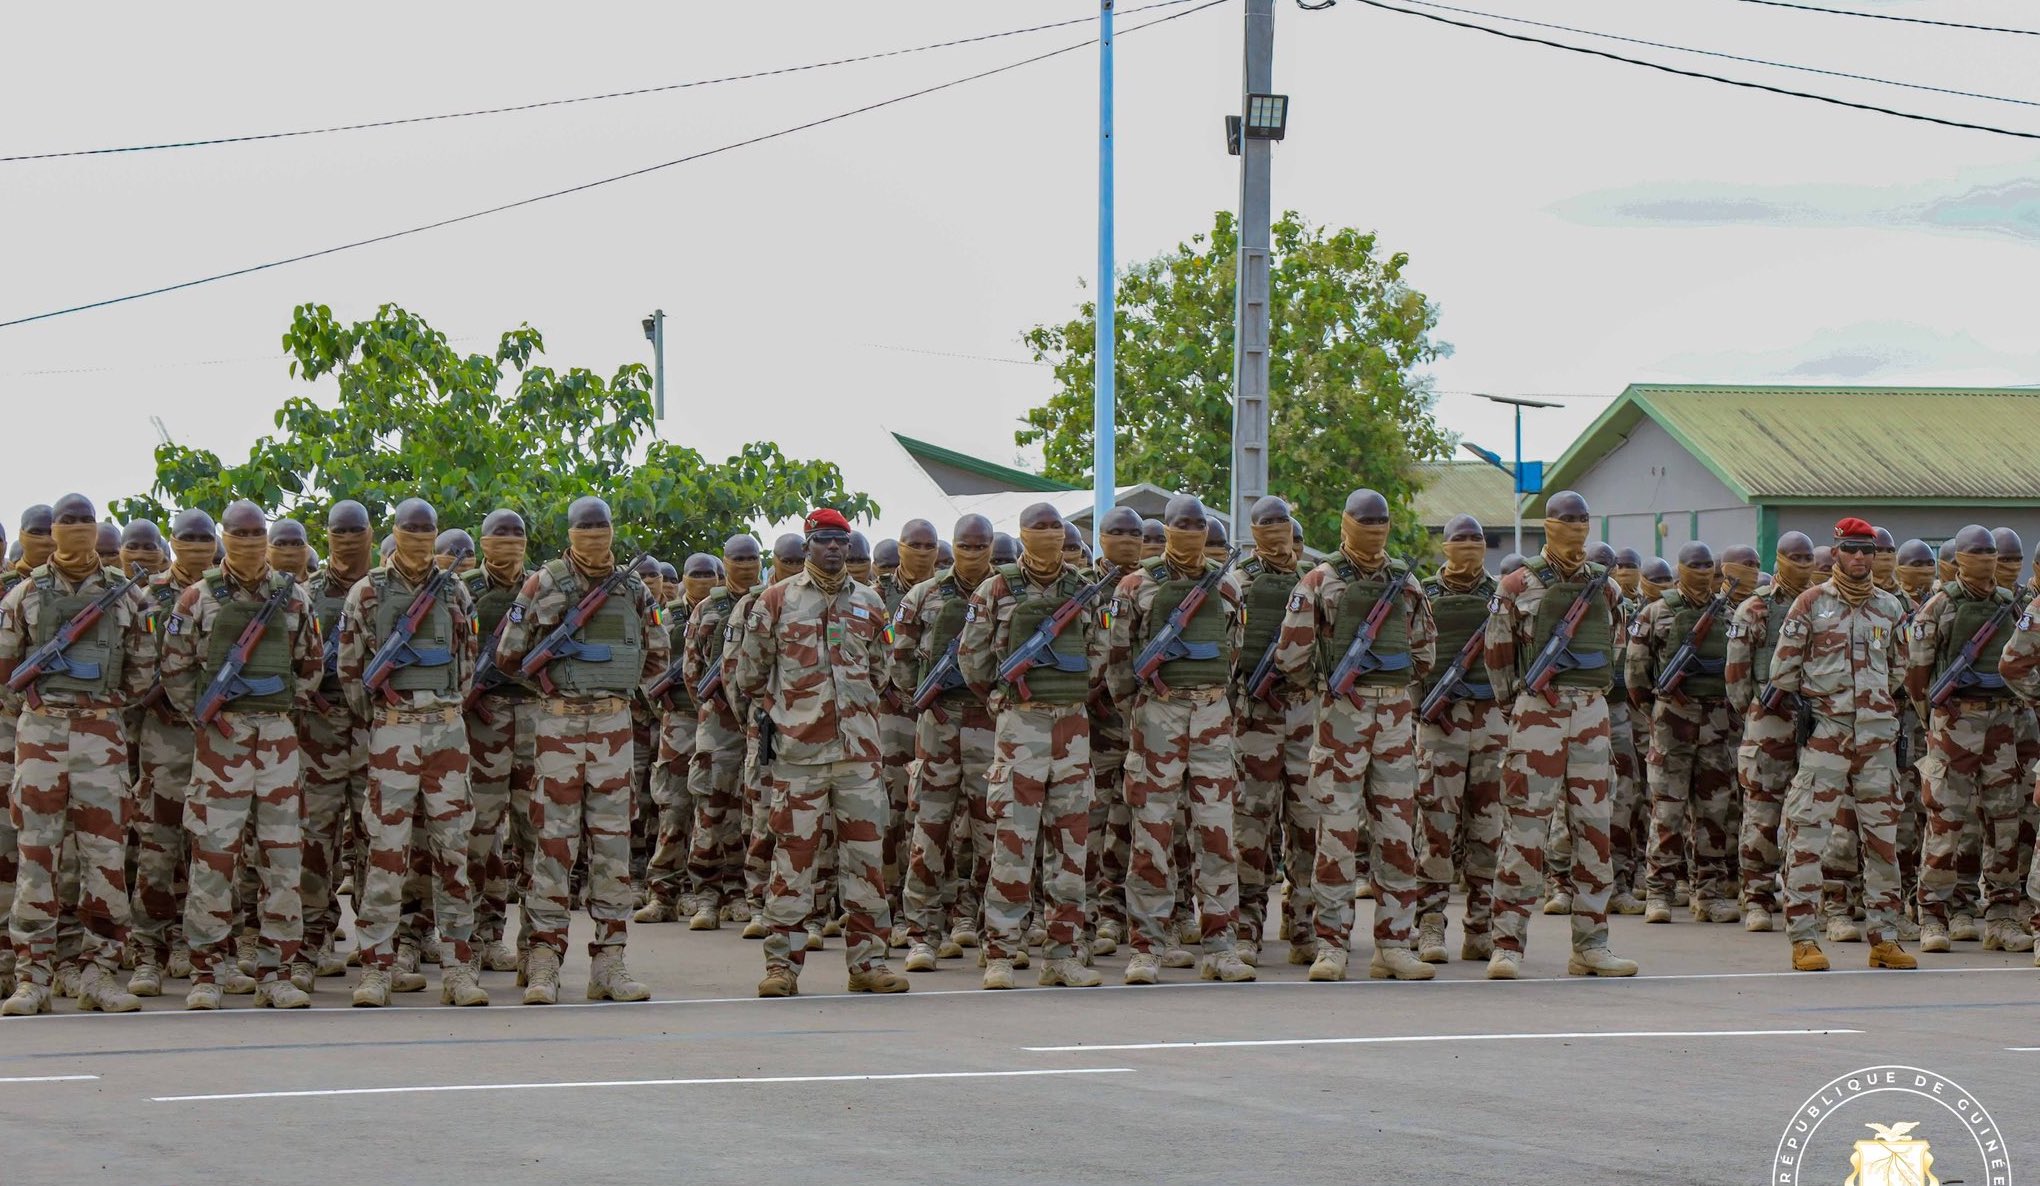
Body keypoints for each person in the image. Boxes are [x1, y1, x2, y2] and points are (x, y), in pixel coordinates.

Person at [493, 496, 665, 1005]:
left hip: (614, 728)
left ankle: (609, 963)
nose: (594, 534)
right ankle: (543, 962)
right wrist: (551, 686)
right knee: (553, 848)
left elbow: (657, 655)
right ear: (569, 532)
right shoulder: (542, 583)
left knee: (613, 850)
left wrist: (626, 702)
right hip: (559, 729)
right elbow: (508, 656)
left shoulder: (634, 588)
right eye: (585, 527)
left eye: (602, 525)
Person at [734, 509, 906, 998]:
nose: (834, 548)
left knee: (867, 863)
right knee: (793, 862)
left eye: (842, 540)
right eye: (824, 540)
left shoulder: (871, 603)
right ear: (807, 545)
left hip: (858, 757)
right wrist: (790, 715)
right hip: (798, 756)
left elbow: (880, 670)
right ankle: (782, 968)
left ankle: (868, 963)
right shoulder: (775, 601)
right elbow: (749, 675)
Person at [159, 500, 322, 1010]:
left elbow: (311, 666)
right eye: (240, 532)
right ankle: (208, 970)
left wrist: (277, 713)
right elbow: (175, 670)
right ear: (223, 536)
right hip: (221, 742)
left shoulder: (293, 598)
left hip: (276, 739)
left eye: (258, 532)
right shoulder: (196, 598)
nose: (250, 540)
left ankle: (276, 971)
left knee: (282, 858)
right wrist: (207, 717)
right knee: (213, 857)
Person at [1274, 489, 1436, 981]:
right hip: (1342, 718)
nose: (1375, 527)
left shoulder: (1406, 584)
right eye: (1367, 520)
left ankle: (1393, 944)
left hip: (1392, 721)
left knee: (1396, 836)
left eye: (1380, 520)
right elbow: (1291, 658)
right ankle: (1332, 945)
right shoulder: (1318, 582)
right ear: (1346, 523)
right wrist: (1330, 686)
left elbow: (1425, 652)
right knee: (1336, 836)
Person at [0, 495, 152, 1016]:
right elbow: (6, 676)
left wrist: (98, 708)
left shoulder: (124, 597)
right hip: (40, 736)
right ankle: (33, 976)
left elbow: (141, 673)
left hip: (101, 737)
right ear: (53, 531)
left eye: (87, 521)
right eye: (68, 521)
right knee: (37, 860)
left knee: (105, 858)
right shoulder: (23, 596)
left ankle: (100, 972)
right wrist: (46, 708)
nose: (78, 529)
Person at [1480, 490, 1637, 979]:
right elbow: (1498, 658)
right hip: (1537, 714)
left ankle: (1592, 945)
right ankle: (1506, 945)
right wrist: (1522, 708)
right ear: (1548, 525)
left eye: (1583, 519)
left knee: (1595, 830)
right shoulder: (1515, 585)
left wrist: (1587, 697)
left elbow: (1615, 649)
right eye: (1567, 519)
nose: (1576, 527)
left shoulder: (1605, 588)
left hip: (1590, 714)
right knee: (1525, 830)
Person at [336, 499, 482, 1007]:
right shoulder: (368, 592)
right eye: (411, 528)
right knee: (385, 853)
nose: (420, 536)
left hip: (446, 731)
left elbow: (466, 666)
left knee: (453, 851)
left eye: (428, 528)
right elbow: (351, 673)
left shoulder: (456, 590)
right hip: (392, 731)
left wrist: (441, 710)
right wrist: (387, 714)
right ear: (394, 532)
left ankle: (459, 968)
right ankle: (376, 968)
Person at [954, 502, 1105, 989]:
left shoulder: (1085, 589)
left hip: (1072, 727)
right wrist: (1001, 698)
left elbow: (1103, 655)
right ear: (1021, 533)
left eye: (1054, 527)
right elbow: (971, 657)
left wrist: (1072, 694)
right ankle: (1000, 951)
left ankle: (1062, 954)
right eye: (1038, 527)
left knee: (1071, 845)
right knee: (1013, 842)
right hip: (1020, 726)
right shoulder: (995, 588)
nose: (1048, 535)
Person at [1105, 495, 1253, 984]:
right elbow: (1119, 664)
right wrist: (1148, 710)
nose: (1189, 532)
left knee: (1216, 837)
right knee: (1152, 836)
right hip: (1157, 717)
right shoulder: (1136, 586)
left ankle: (1221, 947)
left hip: (1212, 715)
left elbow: (1233, 657)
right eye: (1180, 524)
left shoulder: (1228, 586)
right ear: (1165, 529)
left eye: (1197, 525)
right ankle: (1146, 946)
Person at [1763, 517, 1914, 972]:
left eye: (1868, 551)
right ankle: (1804, 939)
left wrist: (1870, 704)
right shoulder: (1810, 604)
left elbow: (1898, 670)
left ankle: (1885, 937)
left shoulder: (1890, 609)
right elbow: (1782, 673)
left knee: (1883, 841)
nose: (1860, 558)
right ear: (1837, 553)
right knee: (1808, 836)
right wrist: (1826, 701)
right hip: (1827, 737)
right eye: (1852, 550)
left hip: (1877, 740)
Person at [1903, 524, 2028, 954]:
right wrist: (1934, 721)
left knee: (2004, 821)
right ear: (1959, 558)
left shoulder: (2011, 605)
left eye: (1991, 552)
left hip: (2001, 725)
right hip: (1953, 723)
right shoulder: (1939, 608)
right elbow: (1917, 677)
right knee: (1945, 820)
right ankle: (1933, 914)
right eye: (1977, 552)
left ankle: (2001, 915)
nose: (1988, 560)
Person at [1626, 541, 1754, 925]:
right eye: (1693, 564)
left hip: (1717, 722)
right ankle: (1659, 892)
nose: (1700, 571)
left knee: (1714, 813)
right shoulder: (1656, 613)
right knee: (1666, 810)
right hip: (1671, 722)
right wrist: (1658, 711)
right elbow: (1635, 674)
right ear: (1680, 568)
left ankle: (1709, 893)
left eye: (1705, 565)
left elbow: (1740, 670)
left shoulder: (1731, 614)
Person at [896, 515, 998, 971]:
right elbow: (897, 658)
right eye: (964, 544)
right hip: (937, 726)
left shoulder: (1002, 591)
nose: (972, 552)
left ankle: (983, 926)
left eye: (981, 545)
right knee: (930, 830)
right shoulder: (924, 595)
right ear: (950, 547)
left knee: (991, 832)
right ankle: (921, 934)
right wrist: (924, 703)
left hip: (990, 725)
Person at [126, 509, 218, 996]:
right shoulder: (147, 597)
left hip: (222, 734)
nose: (197, 544)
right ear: (172, 543)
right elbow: (136, 667)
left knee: (216, 849)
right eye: (188, 537)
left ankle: (202, 947)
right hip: (164, 736)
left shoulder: (229, 593)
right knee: (159, 847)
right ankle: (149, 951)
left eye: (206, 537)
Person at [1413, 513, 1507, 961]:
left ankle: (1481, 928)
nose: (1469, 545)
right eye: (1460, 538)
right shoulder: (1422, 594)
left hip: (1491, 721)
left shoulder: (1501, 595)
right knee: (1436, 827)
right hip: (1439, 723)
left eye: (1477, 538)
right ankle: (1430, 925)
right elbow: (1410, 655)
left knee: (1488, 829)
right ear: (1445, 545)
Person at [457, 509, 539, 973]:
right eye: (499, 534)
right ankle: (481, 935)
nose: (509, 541)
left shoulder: (541, 586)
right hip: (481, 724)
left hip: (533, 719)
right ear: (482, 540)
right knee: (479, 834)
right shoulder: (463, 588)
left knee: (534, 832)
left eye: (517, 534)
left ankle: (534, 942)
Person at [1232, 496, 1313, 965]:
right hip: (1255, 718)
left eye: (1283, 523)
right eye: (1268, 523)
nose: (1277, 531)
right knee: (1251, 828)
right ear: (1254, 529)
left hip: (1307, 714)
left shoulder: (1317, 582)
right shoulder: (1237, 582)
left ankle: (1303, 925)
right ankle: (1246, 928)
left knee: (1308, 826)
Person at [1725, 531, 1815, 933]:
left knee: (1811, 814)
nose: (1802, 563)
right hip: (1769, 720)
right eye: (1794, 556)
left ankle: (1804, 896)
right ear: (1778, 558)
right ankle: (1758, 898)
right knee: (1762, 814)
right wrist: (1757, 716)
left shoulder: (1821, 604)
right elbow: (1737, 677)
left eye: (1807, 556)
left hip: (1813, 719)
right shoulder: (1754, 609)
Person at [298, 500, 374, 978]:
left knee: (376, 838)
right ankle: (312, 942)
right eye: (337, 531)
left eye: (355, 531)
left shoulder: (384, 591)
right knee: (315, 839)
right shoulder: (305, 594)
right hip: (318, 729)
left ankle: (376, 945)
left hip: (374, 727)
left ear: (370, 534)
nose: (346, 539)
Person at [679, 535, 762, 930]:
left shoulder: (772, 601)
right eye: (738, 558)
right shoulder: (708, 609)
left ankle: (742, 892)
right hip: (718, 722)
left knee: (753, 811)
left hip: (760, 720)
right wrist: (713, 710)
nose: (746, 565)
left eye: (752, 558)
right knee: (711, 808)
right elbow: (692, 671)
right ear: (724, 562)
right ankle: (706, 896)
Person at [635, 551, 718, 921]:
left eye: (710, 573)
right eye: (696, 573)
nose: (704, 580)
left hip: (718, 720)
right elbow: (648, 666)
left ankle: (703, 892)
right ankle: (663, 893)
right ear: (685, 577)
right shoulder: (666, 617)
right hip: (679, 718)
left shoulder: (727, 613)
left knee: (713, 809)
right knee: (673, 808)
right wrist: (663, 711)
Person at [1085, 506, 1146, 954]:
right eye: (1117, 532)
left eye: (1134, 533)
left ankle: (1121, 912)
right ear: (1101, 537)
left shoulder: (1152, 586)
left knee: (1133, 824)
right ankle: (1091, 915)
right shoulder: (1083, 589)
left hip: (1145, 725)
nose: (1126, 539)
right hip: (1095, 726)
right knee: (1090, 822)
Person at [875, 521, 937, 940]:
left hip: (937, 714)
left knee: (930, 813)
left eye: (928, 545)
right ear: (899, 547)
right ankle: (890, 906)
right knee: (891, 813)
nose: (920, 551)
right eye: (913, 545)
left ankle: (936, 909)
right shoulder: (875, 595)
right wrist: (893, 690)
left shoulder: (945, 594)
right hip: (890, 714)